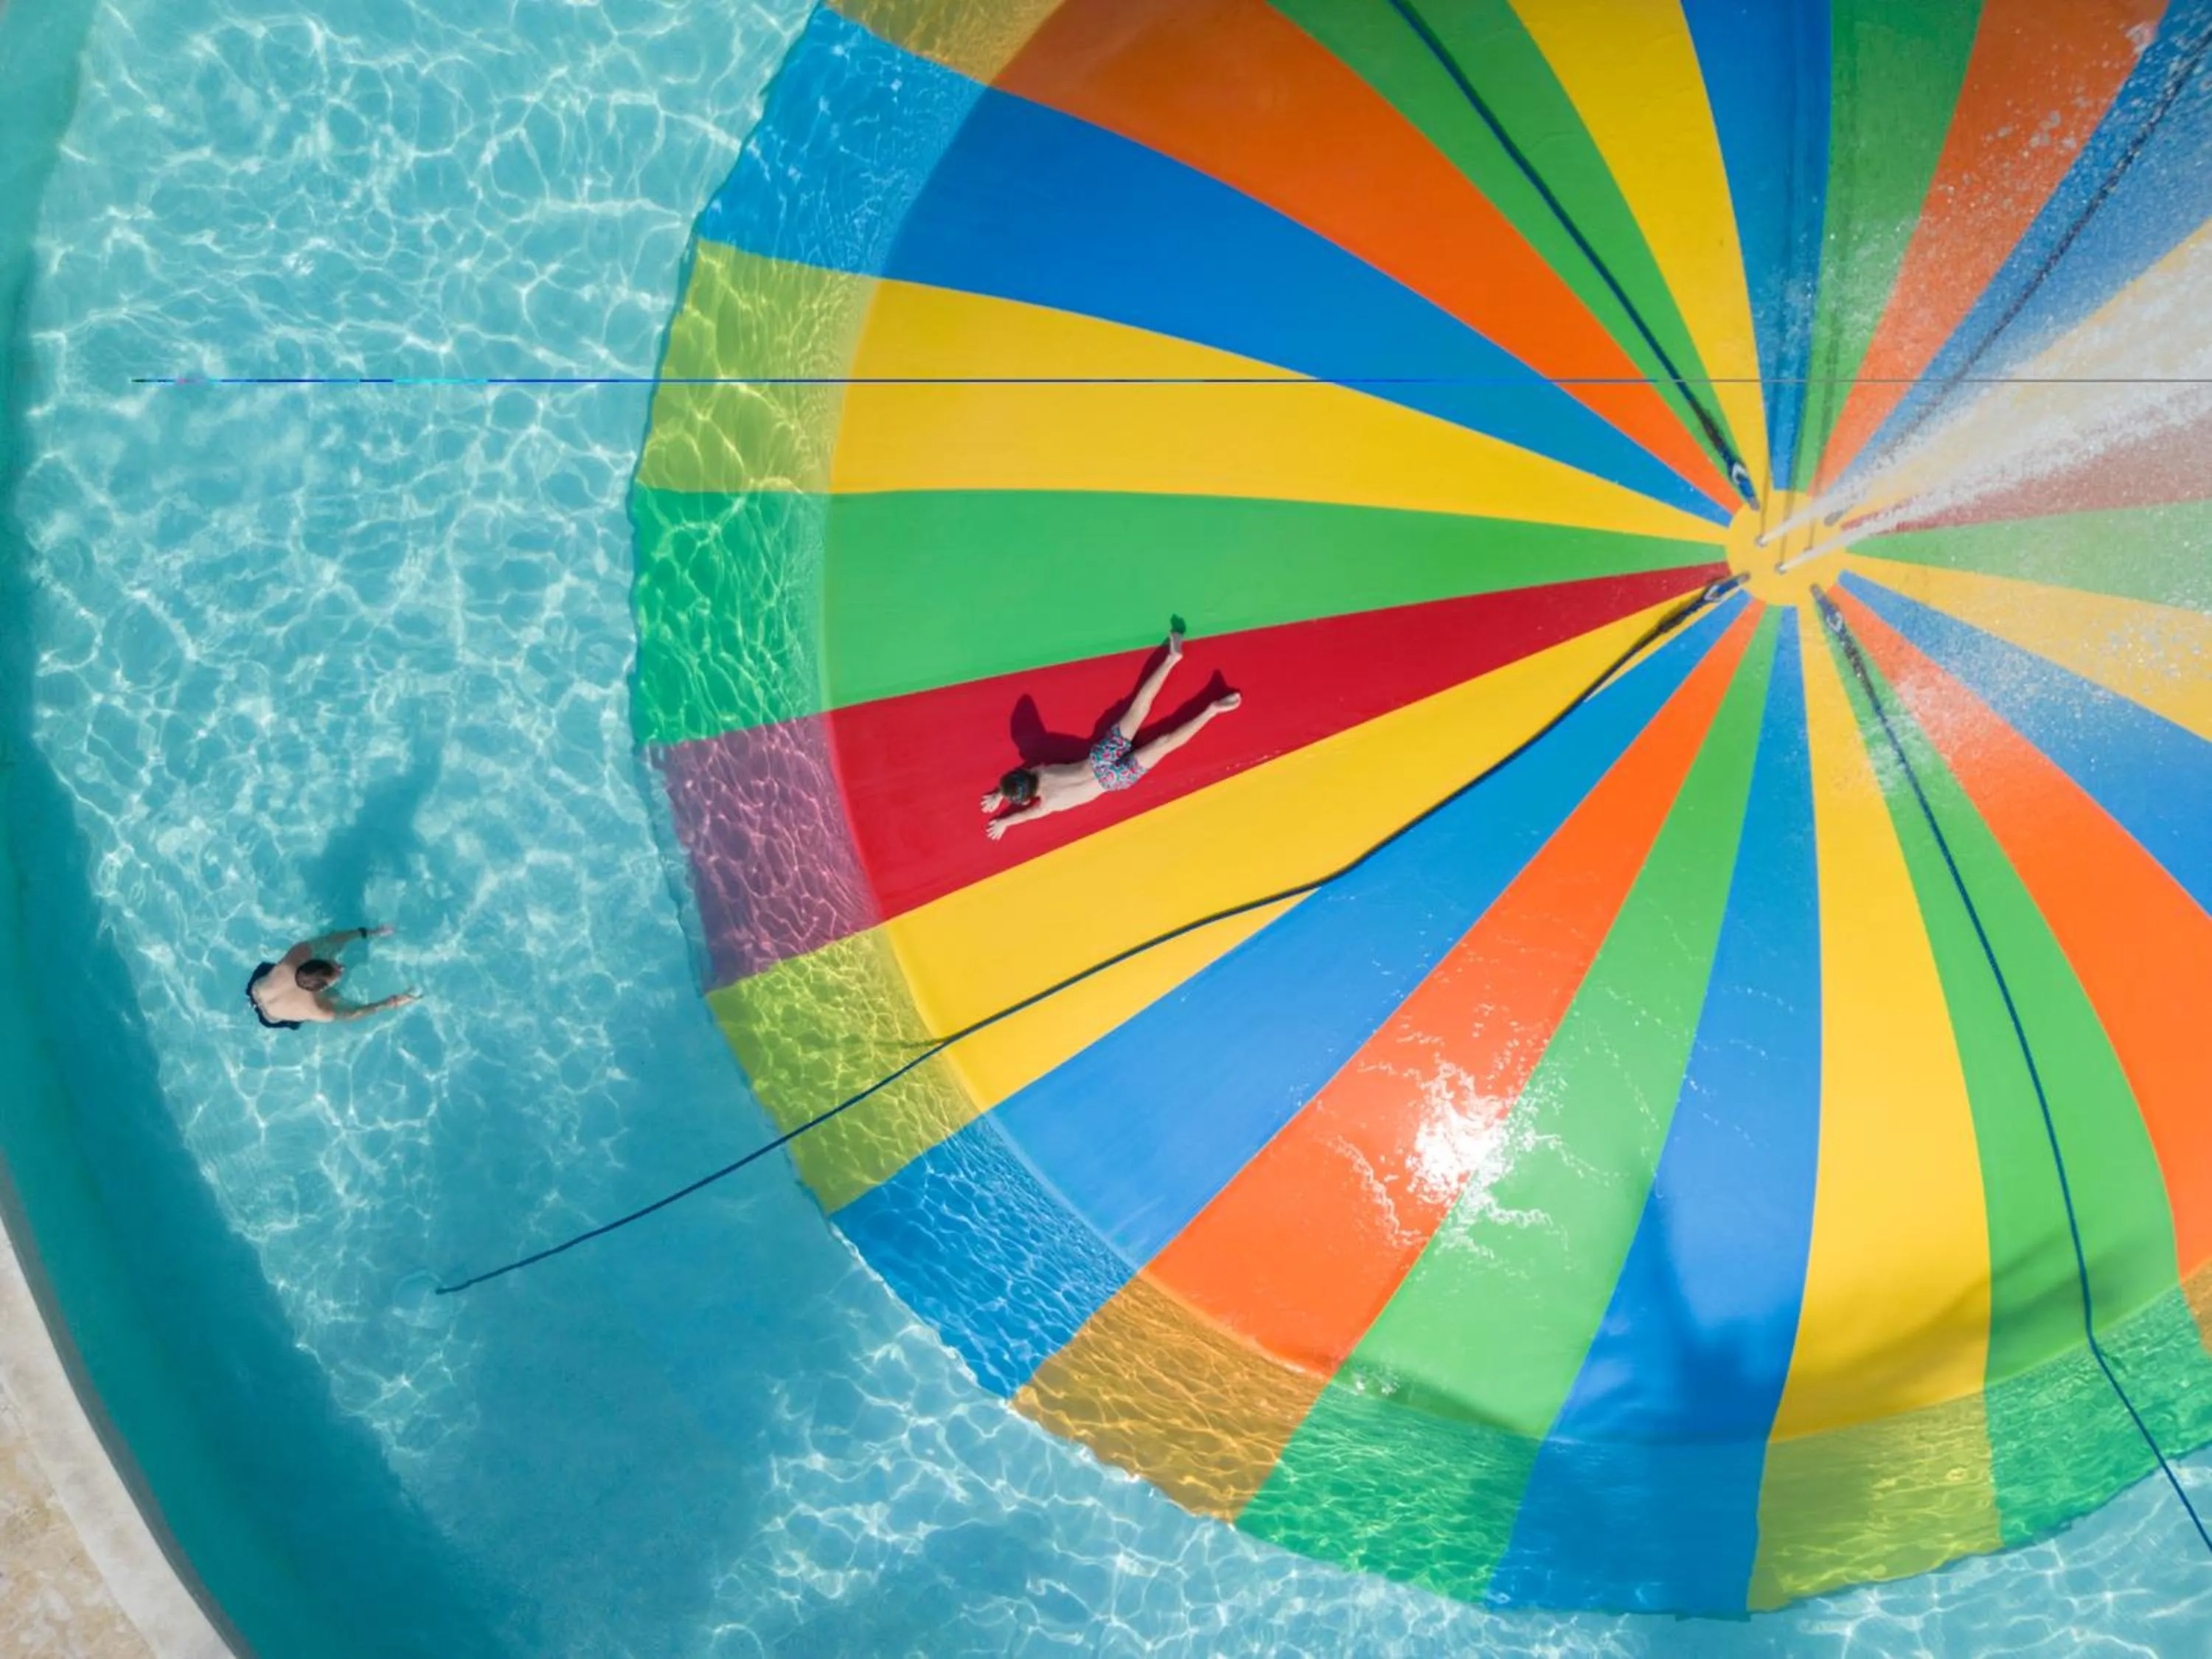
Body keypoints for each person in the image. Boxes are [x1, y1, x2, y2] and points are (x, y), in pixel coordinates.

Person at [981, 621, 1239, 841]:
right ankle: (1172, 659)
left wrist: (1005, 820)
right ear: (1026, 772)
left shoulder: (1047, 804)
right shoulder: (1040, 771)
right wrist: (999, 794)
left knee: (1164, 743)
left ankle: (1212, 710)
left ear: (1028, 799)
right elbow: (1020, 781)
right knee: (1139, 708)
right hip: (1100, 759)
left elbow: (1027, 815)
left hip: (1113, 780)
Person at [246, 925, 419, 1029]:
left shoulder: (296, 955)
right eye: (338, 973)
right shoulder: (319, 1009)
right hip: (270, 1017)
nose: (342, 967)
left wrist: (371, 932)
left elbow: (333, 939)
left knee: (327, 946)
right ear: (322, 988)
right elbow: (356, 1012)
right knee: (335, 998)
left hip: (257, 986)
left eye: (334, 965)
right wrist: (392, 1002)